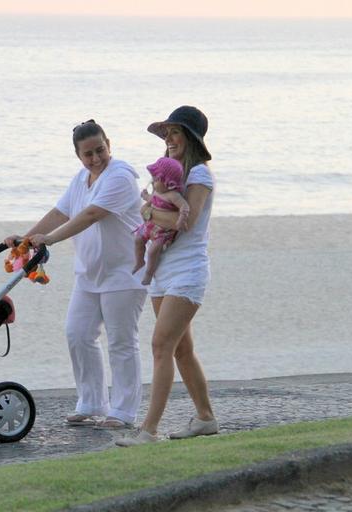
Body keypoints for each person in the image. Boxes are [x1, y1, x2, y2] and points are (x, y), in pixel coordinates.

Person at [5, 120, 147, 430]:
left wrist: (51, 239)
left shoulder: (121, 176)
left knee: (122, 342)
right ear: (78, 155)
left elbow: (92, 214)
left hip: (124, 274)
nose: (96, 158)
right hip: (89, 274)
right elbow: (61, 212)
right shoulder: (81, 179)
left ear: (109, 144)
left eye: (100, 150)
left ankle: (123, 411)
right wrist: (26, 241)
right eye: (88, 154)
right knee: (78, 333)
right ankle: (93, 401)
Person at [116, 105, 219, 446]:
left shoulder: (200, 175)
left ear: (191, 138)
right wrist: (150, 211)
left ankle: (148, 431)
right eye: (167, 133)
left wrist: (147, 210)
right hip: (161, 271)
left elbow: (183, 223)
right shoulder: (169, 175)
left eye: (176, 132)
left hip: (188, 271)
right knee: (181, 349)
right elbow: (158, 216)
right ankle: (205, 418)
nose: (170, 139)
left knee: (160, 345)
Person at [132, 156, 190, 286]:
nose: (153, 181)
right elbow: (151, 200)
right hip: (150, 225)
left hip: (163, 231)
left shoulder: (172, 196)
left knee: (153, 250)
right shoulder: (158, 192)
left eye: (156, 179)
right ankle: (139, 261)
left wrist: (182, 218)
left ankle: (149, 273)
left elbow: (184, 206)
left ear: (168, 183)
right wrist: (145, 196)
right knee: (137, 239)